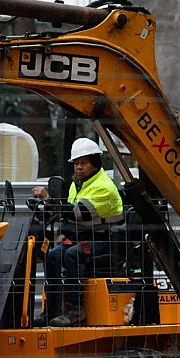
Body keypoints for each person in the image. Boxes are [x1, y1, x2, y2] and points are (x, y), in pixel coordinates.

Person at [32, 137, 124, 326]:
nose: (79, 167)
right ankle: (52, 310)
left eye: (84, 163)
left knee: (73, 254)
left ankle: (75, 311)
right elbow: (69, 217)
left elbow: (77, 213)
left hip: (107, 242)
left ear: (95, 165)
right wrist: (65, 233)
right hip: (87, 239)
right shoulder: (78, 183)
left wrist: (50, 199)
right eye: (76, 163)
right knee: (53, 255)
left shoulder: (103, 187)